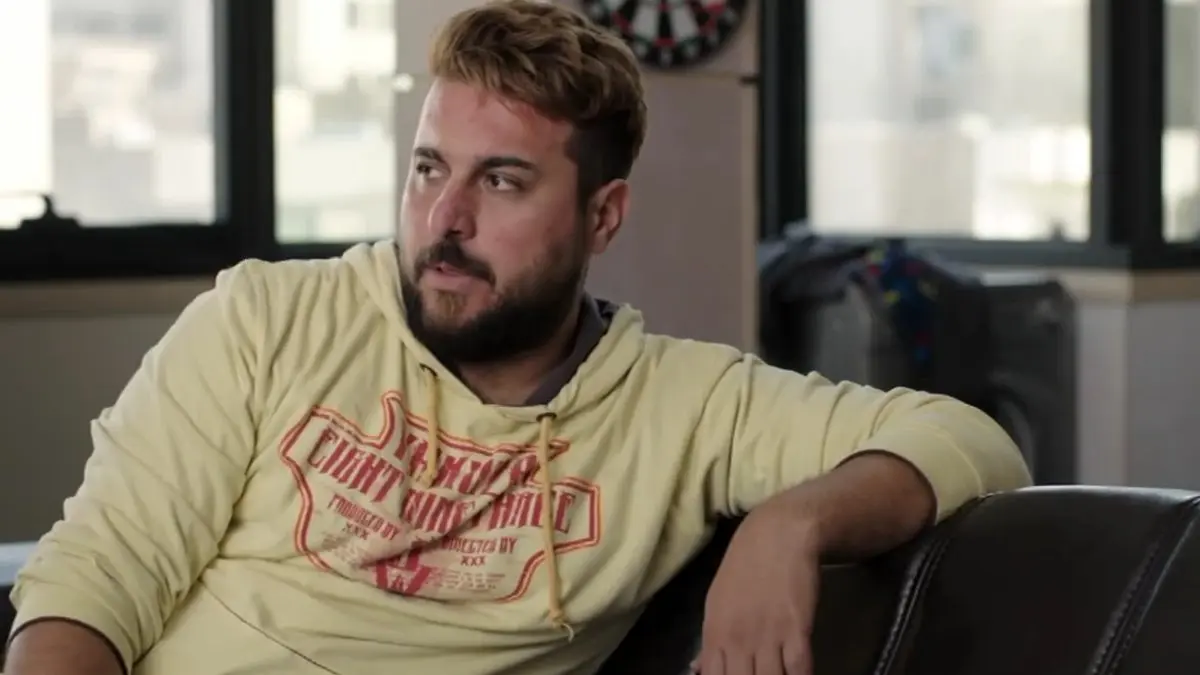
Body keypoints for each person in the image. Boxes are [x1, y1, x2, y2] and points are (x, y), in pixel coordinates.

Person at [4, 2, 1031, 674]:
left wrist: (791, 524)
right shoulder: (269, 318)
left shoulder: (681, 406)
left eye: (500, 181)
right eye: (428, 169)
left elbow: (969, 440)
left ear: (602, 215)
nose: (443, 219)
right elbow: (96, 579)